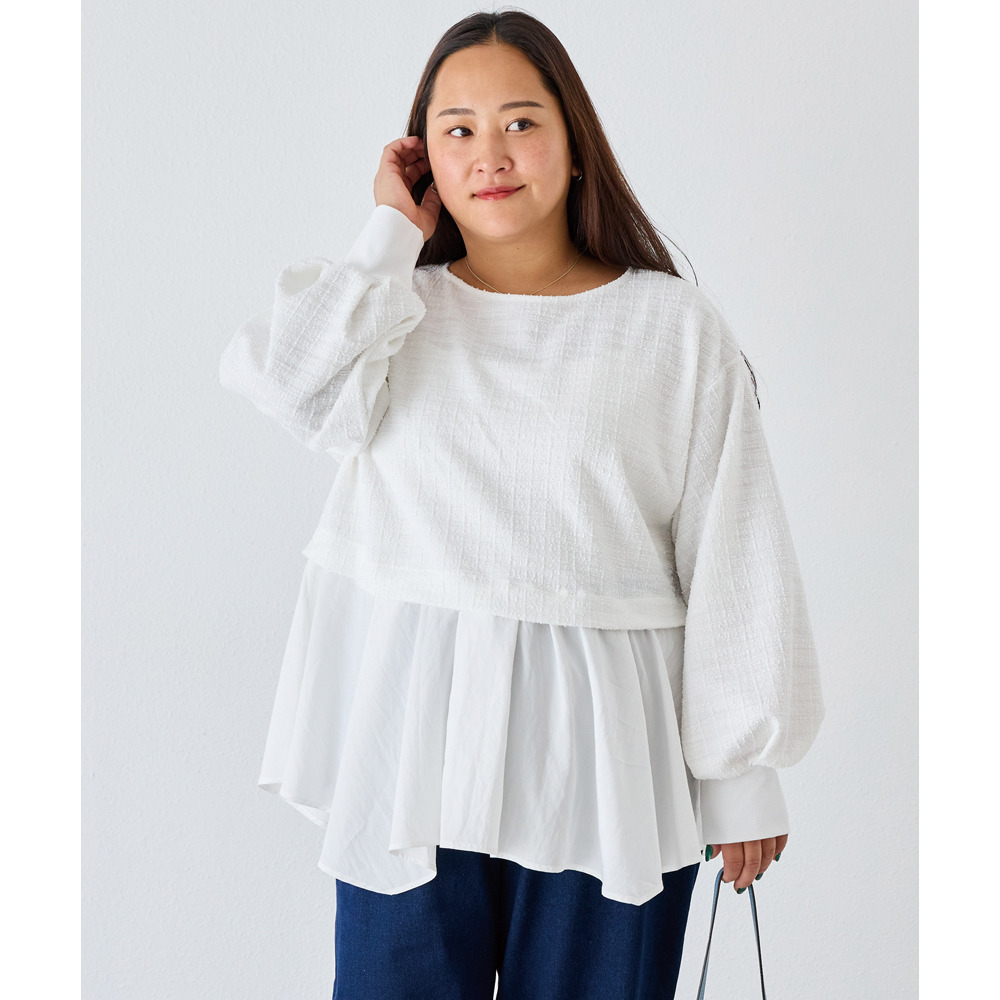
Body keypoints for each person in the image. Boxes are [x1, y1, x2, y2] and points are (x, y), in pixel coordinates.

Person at [218, 10, 825, 1000]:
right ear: (422, 158)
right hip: (410, 760)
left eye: (520, 123)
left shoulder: (669, 326)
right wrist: (389, 234)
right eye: (456, 129)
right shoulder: (390, 312)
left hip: (608, 770)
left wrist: (741, 772)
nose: (489, 154)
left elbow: (734, 545)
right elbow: (288, 384)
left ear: (574, 142)